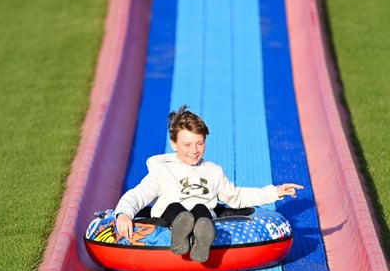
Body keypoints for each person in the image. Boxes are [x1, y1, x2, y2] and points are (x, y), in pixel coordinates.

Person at [115, 105, 303, 262]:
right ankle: (180, 235)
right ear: (173, 144)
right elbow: (137, 195)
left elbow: (236, 197)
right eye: (187, 145)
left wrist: (275, 192)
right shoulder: (162, 171)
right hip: (168, 216)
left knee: (201, 209)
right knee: (175, 208)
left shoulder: (213, 171)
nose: (194, 150)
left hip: (201, 214)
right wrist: (123, 214)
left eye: (200, 143)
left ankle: (201, 241)